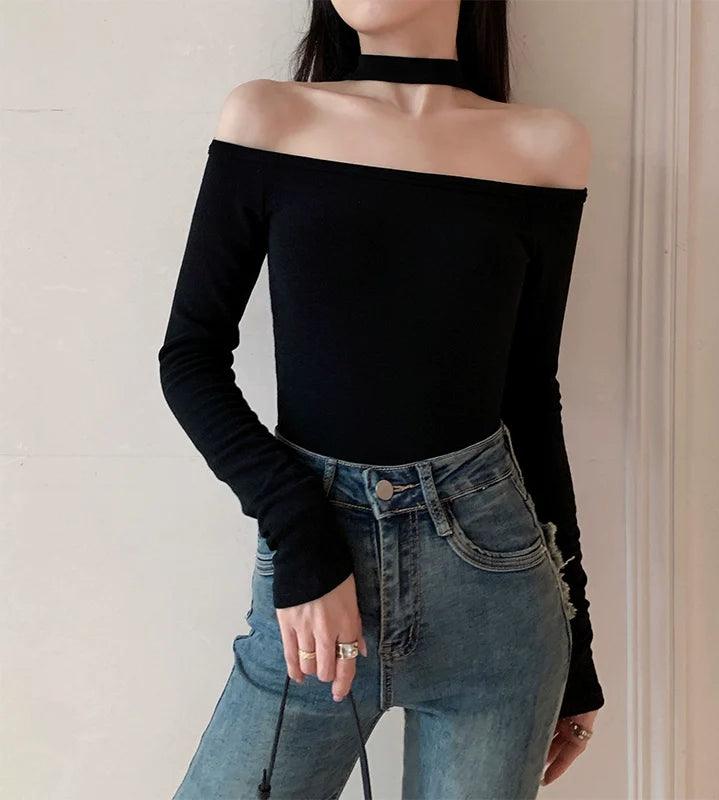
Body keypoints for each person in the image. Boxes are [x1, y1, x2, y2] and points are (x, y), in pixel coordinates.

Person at [158, 1, 604, 797]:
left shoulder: (544, 146)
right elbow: (189, 359)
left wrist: (581, 652)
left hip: (497, 600)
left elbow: (529, 398)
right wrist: (302, 535)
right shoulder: (272, 118)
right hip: (315, 590)